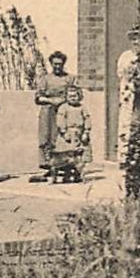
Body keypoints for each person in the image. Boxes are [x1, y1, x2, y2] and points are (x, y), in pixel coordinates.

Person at [33, 51, 77, 180]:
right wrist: (51, 100)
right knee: (46, 137)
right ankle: (48, 166)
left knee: (63, 138)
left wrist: (64, 101)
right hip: (48, 110)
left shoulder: (70, 78)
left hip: (65, 110)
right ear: (51, 64)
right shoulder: (45, 79)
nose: (57, 66)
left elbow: (77, 94)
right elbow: (38, 97)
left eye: (60, 64)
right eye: (55, 64)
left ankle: (65, 166)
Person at [49, 86, 91, 183]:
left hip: (79, 134)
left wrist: (86, 132)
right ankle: (66, 175)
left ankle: (78, 176)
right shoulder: (63, 108)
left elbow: (87, 119)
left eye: (75, 96)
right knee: (66, 157)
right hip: (67, 135)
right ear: (66, 97)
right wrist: (64, 132)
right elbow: (60, 120)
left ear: (79, 96)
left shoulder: (82, 108)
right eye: (70, 96)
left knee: (79, 157)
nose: (73, 98)